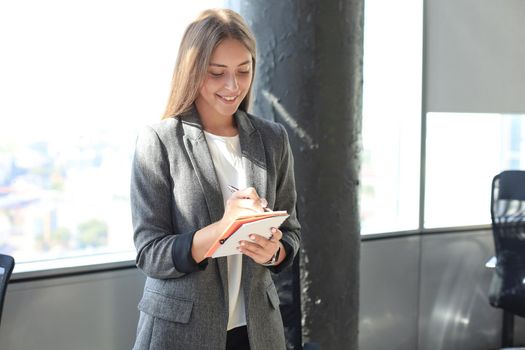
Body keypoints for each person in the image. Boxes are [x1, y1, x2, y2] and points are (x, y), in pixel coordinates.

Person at [130, 8, 301, 350]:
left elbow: (291, 233)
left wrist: (273, 253)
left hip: (257, 332)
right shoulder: (159, 141)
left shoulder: (272, 138)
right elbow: (150, 253)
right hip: (180, 332)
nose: (232, 86)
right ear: (193, 71)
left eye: (243, 71)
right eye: (217, 73)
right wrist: (224, 229)